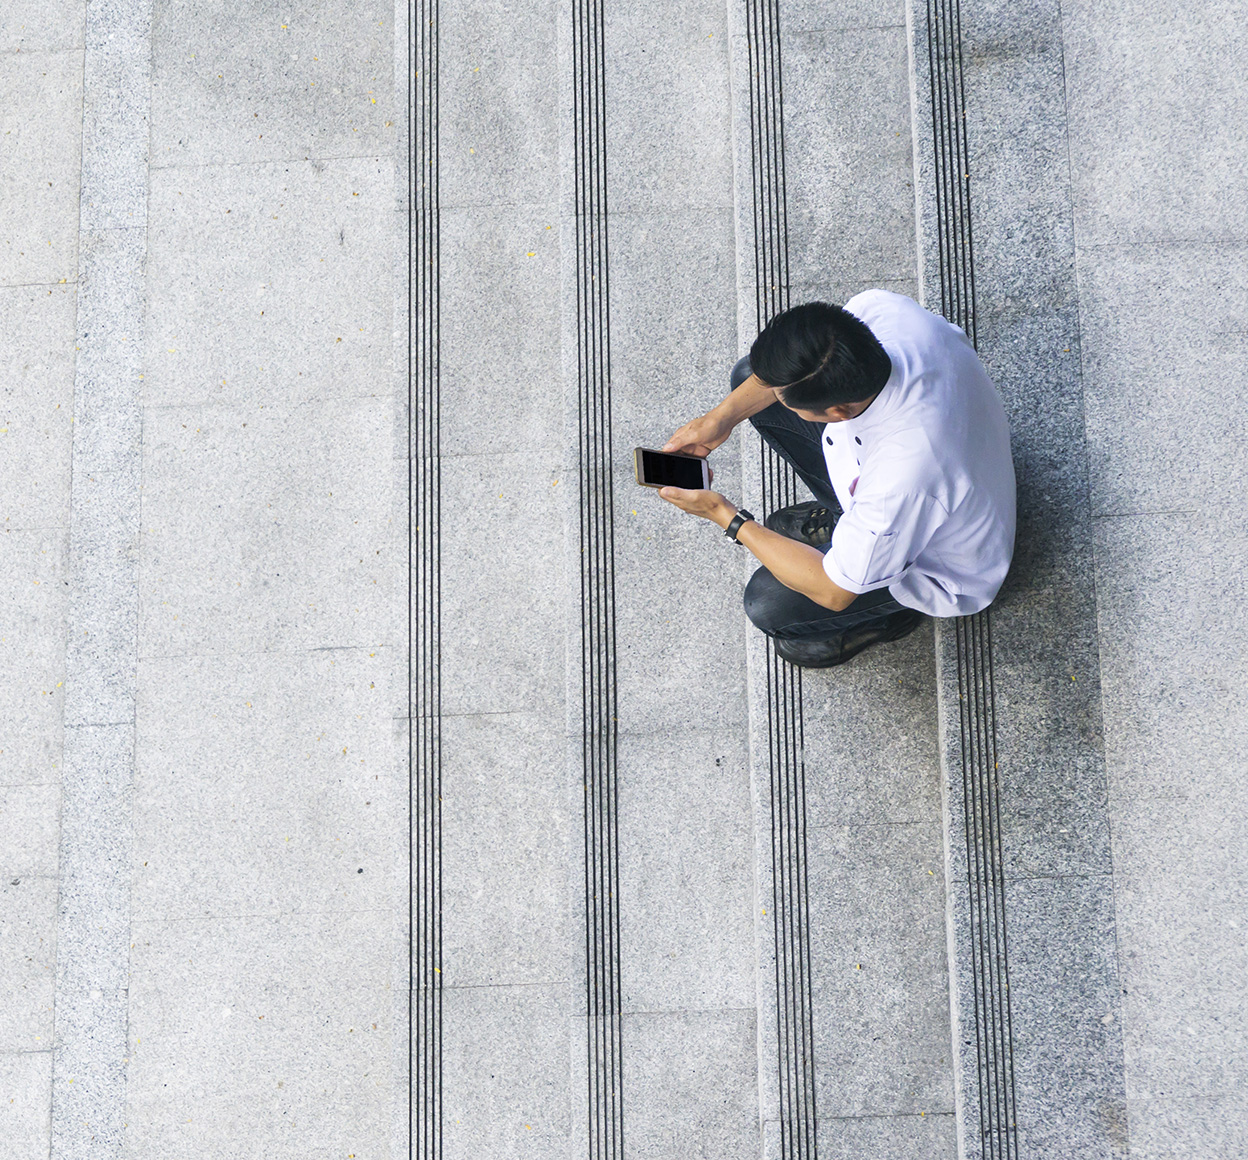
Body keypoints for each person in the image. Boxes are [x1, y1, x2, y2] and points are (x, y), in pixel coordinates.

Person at [658, 290, 1016, 667]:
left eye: (786, 400)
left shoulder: (903, 478)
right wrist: (720, 419)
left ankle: (889, 617)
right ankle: (845, 522)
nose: (775, 396)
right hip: (950, 463)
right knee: (749, 376)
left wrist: (724, 514)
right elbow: (768, 380)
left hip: (937, 563)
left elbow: (833, 591)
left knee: (768, 603)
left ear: (839, 410)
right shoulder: (880, 310)